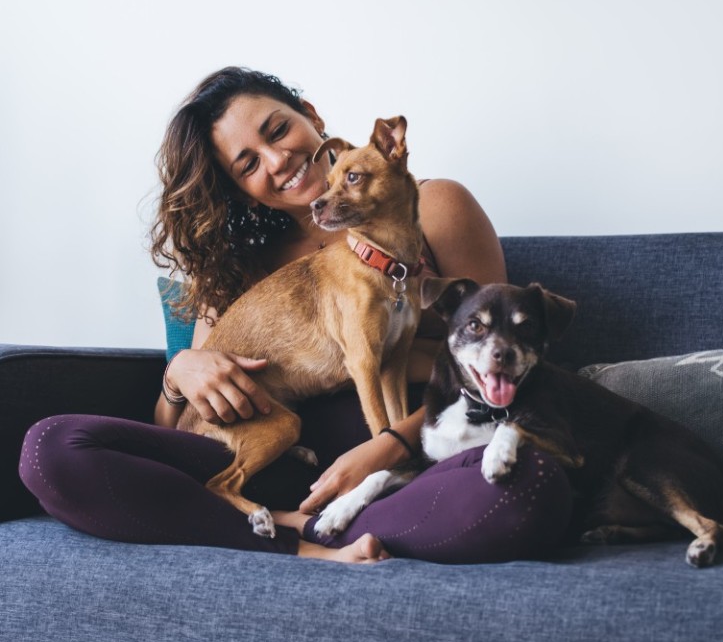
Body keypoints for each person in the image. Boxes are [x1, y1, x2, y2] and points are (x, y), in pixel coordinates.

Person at [19, 67, 572, 564]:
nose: (277, 159)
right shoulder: (238, 274)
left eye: (277, 131)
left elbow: (504, 368)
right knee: (51, 450)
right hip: (264, 463)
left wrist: (387, 448)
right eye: (248, 164)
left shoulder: (434, 207)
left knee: (529, 486)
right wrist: (178, 373)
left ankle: (290, 528)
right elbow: (176, 436)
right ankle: (298, 537)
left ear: (312, 119)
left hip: (393, 473)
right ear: (245, 194)